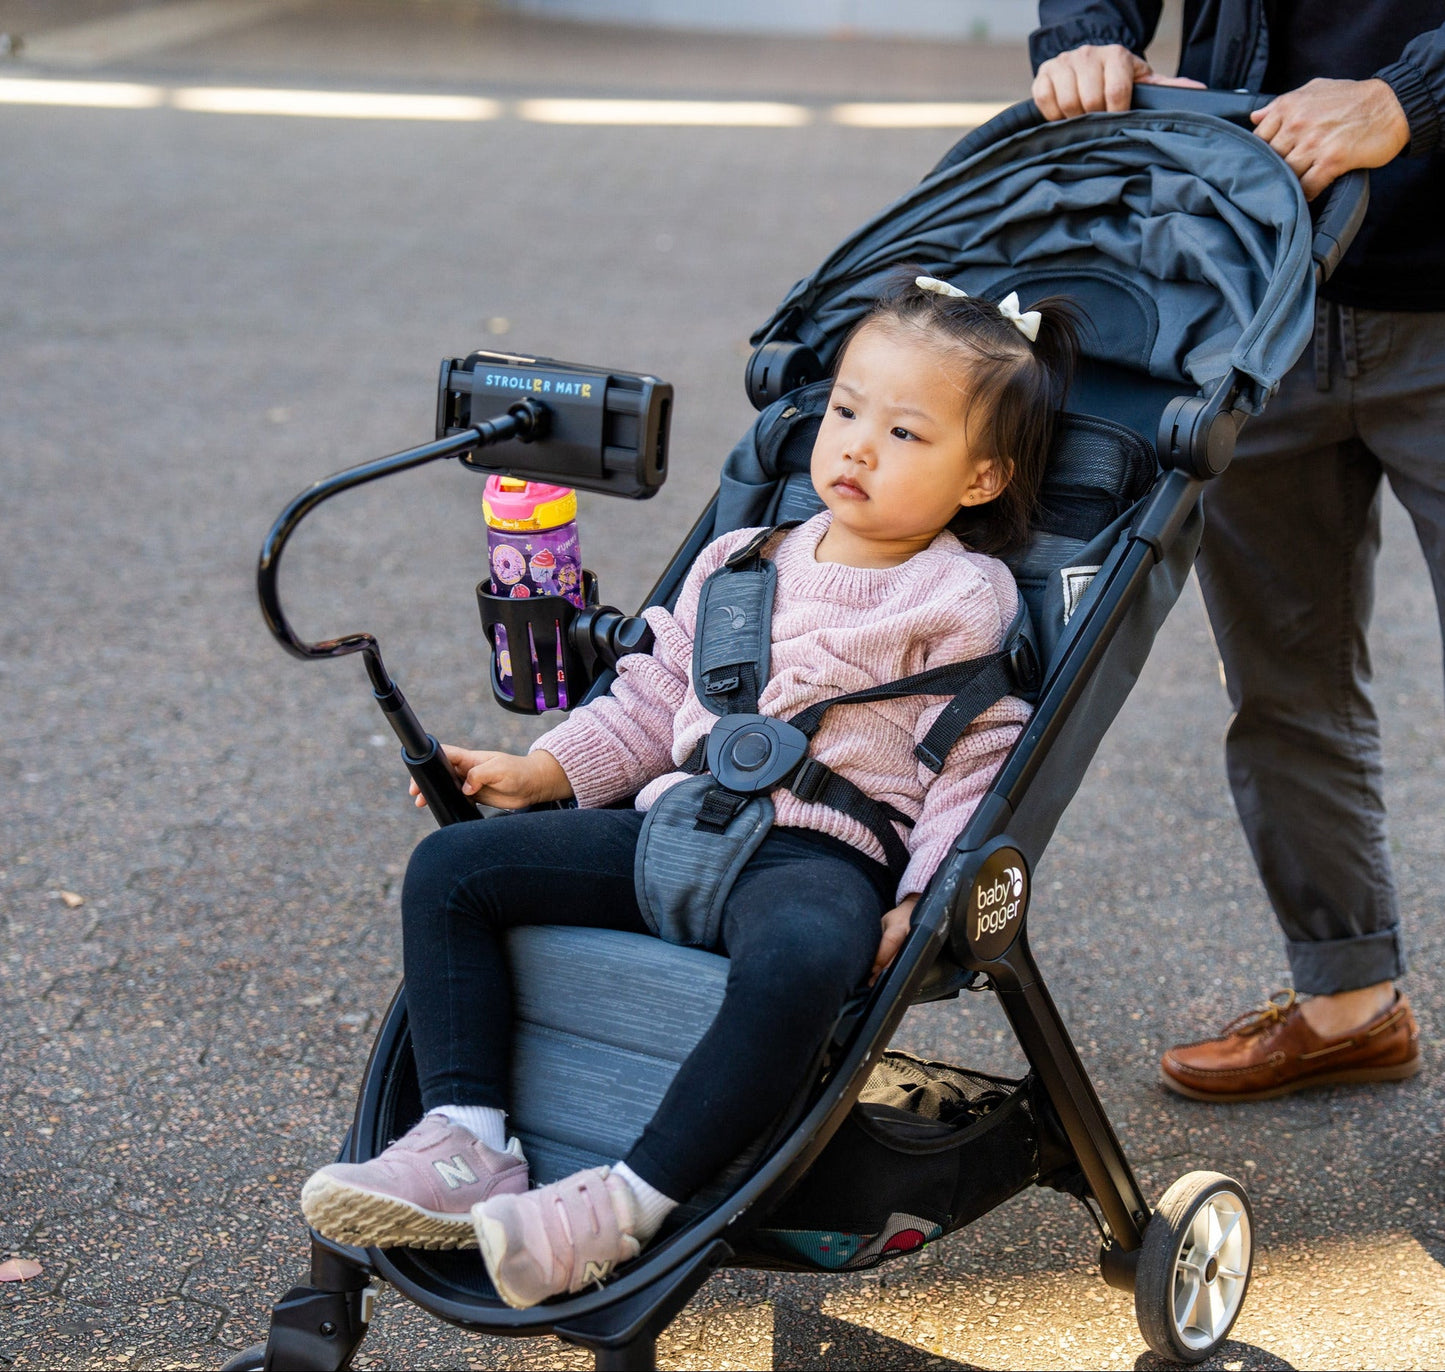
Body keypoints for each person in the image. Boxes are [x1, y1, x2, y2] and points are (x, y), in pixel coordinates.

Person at [298, 272, 1077, 1307]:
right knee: (452, 870)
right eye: (845, 411)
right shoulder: (738, 559)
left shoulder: (960, 597)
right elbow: (650, 699)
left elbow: (974, 764)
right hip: (674, 819)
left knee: (802, 960)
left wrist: (918, 907)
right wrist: (542, 771)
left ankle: (626, 1203)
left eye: (903, 434)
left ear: (978, 480)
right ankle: (465, 1139)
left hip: (817, 855)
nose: (853, 446)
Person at [1030, 0, 1433, 1101]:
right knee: (1282, 674)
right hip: (1259, 289)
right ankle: (1347, 1001)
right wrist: (1080, 34)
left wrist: (1410, 94)